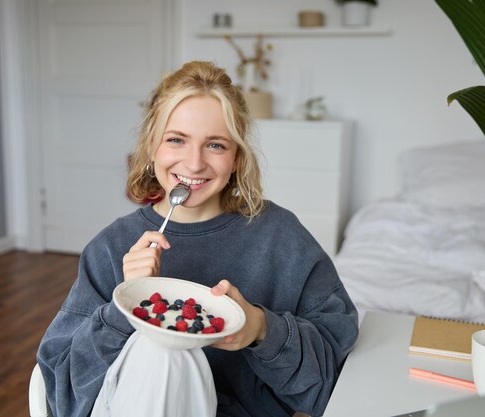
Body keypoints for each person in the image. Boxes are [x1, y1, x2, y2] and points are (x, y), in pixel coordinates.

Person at [37, 61, 359, 417]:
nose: (193, 164)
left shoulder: (281, 238)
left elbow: (338, 378)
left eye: (216, 145)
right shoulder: (111, 248)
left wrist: (260, 329)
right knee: (161, 350)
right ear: (151, 148)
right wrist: (123, 309)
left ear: (236, 157)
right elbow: (61, 394)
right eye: (176, 140)